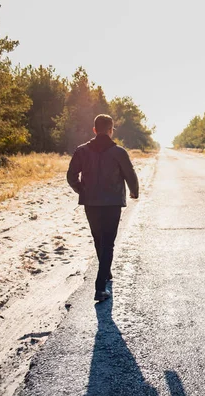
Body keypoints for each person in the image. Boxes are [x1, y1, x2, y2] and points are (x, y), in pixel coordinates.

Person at [67, 114, 139, 302]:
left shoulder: (82, 151)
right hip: (112, 203)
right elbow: (129, 174)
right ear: (110, 130)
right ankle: (100, 288)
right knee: (108, 243)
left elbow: (71, 176)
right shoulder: (119, 152)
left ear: (94, 130)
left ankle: (105, 272)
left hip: (90, 203)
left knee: (99, 239)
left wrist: (81, 190)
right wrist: (134, 191)